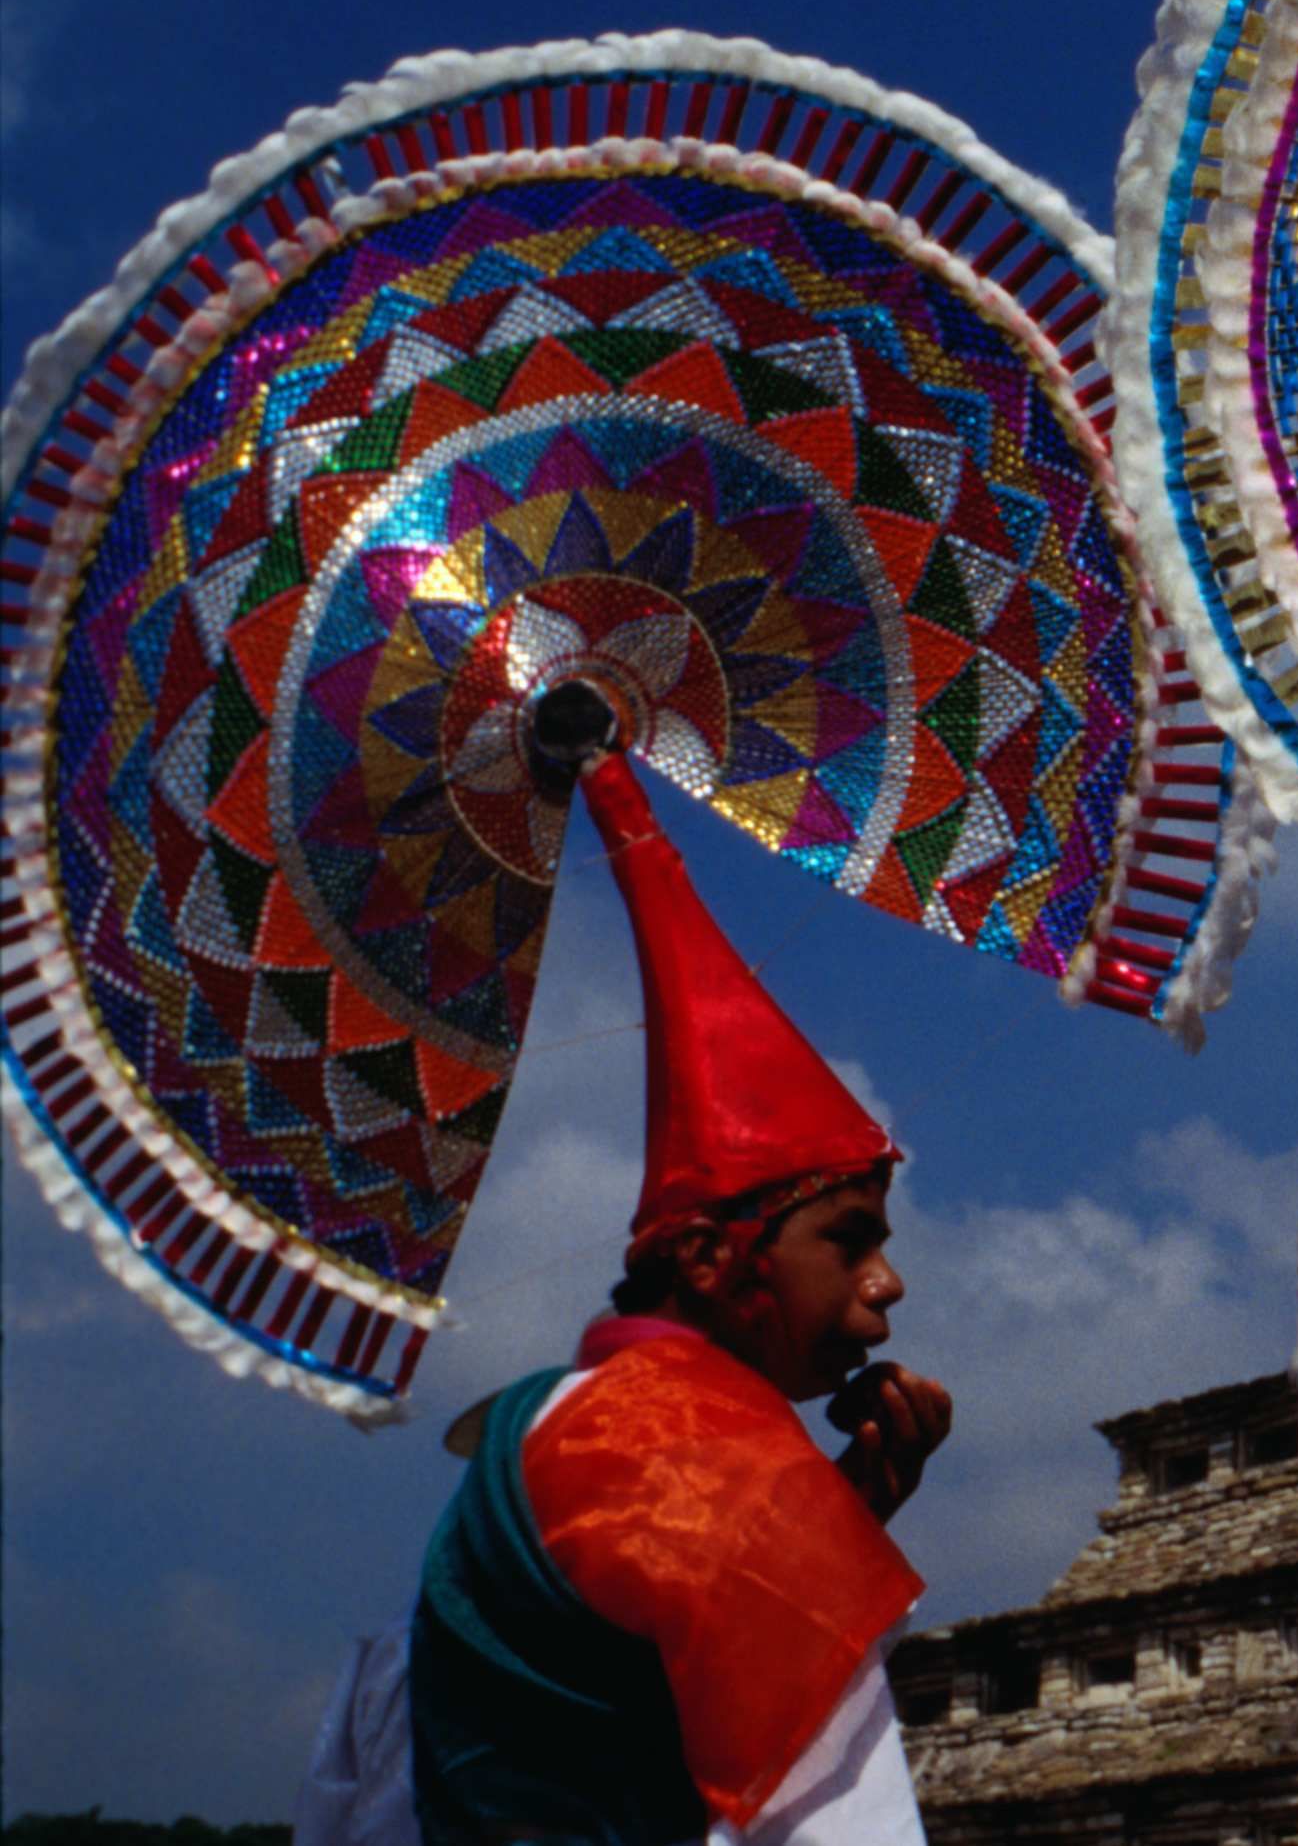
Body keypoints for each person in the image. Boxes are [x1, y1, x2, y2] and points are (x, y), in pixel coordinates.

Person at [295, 698, 951, 1846]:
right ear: (705, 1256)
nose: (886, 1283)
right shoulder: (738, 1478)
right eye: (849, 1238)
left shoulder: (540, 1423)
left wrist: (837, 1516)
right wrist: (809, 1545)